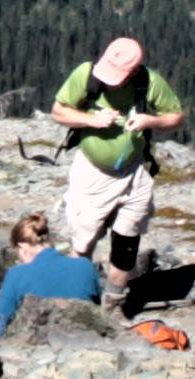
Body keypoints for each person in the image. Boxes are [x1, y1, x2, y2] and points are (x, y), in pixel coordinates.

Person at [47, 37, 187, 282]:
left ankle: (115, 302)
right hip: (92, 172)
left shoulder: (148, 82)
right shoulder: (86, 75)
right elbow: (58, 112)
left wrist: (149, 121)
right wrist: (92, 120)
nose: (108, 82)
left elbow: (175, 117)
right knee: (83, 240)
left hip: (133, 172)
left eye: (116, 77)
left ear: (133, 72)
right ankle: (77, 299)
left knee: (127, 243)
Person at [0, 211, 104, 338]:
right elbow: (98, 308)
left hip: (40, 342)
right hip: (86, 336)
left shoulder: (17, 274)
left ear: (22, 247)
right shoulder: (85, 265)